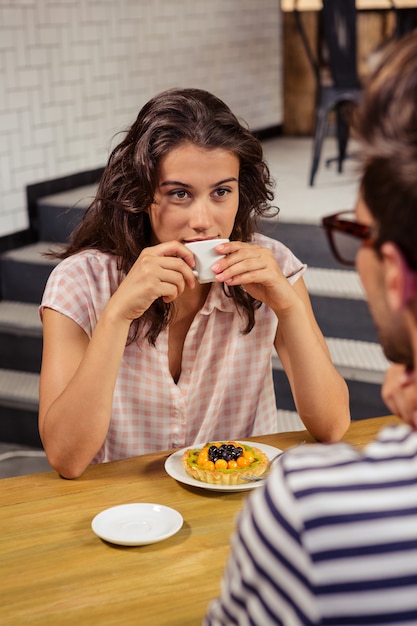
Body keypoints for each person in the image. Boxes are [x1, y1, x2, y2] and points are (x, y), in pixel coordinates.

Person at [204, 32, 417, 625]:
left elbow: (330, 424)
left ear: (396, 276)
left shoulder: (313, 514)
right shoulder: (88, 279)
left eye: (358, 234)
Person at [38, 87, 349, 479]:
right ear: (140, 195)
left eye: (222, 191)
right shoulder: (81, 283)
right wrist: (116, 315)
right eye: (179, 194)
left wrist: (288, 307)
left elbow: (333, 425)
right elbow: (66, 458)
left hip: (244, 504)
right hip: (125, 513)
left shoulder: (274, 267)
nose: (203, 220)